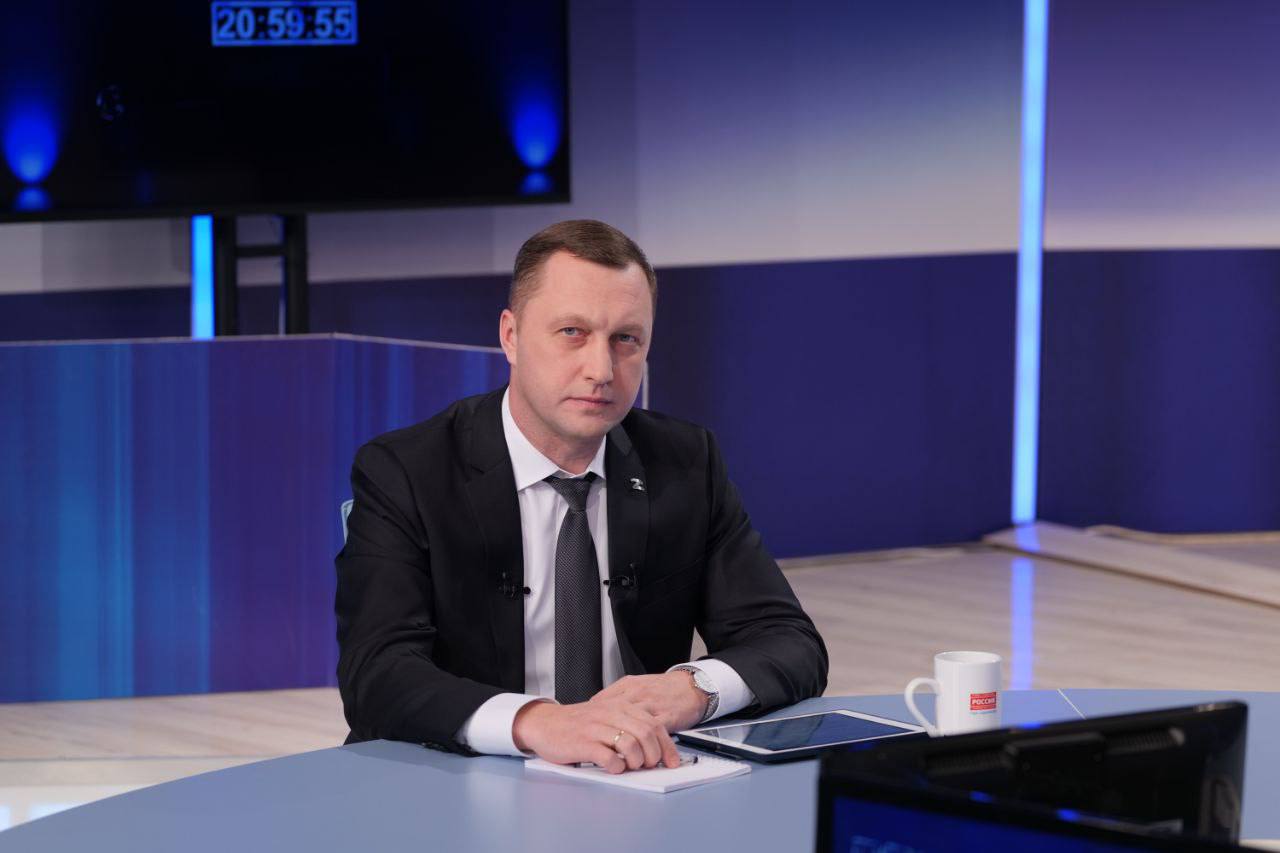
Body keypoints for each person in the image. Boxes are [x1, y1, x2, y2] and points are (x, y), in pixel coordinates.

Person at [335, 219, 827, 774]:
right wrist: (537, 723)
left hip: (632, 778)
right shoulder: (407, 471)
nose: (601, 370)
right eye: (572, 332)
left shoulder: (686, 463)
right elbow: (377, 672)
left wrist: (692, 688)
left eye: (626, 339)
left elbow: (790, 643)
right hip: (453, 774)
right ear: (510, 336)